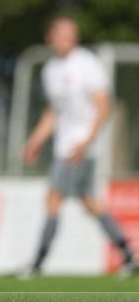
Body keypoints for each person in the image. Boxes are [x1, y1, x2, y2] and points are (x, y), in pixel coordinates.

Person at [22, 15, 136, 277]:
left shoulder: (87, 64)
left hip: (80, 147)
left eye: (71, 34)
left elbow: (104, 105)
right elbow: (54, 112)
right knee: (88, 201)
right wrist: (36, 140)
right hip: (65, 146)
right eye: (61, 34)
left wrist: (87, 141)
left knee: (53, 197)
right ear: (50, 38)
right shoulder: (51, 70)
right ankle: (129, 256)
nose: (67, 39)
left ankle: (37, 263)